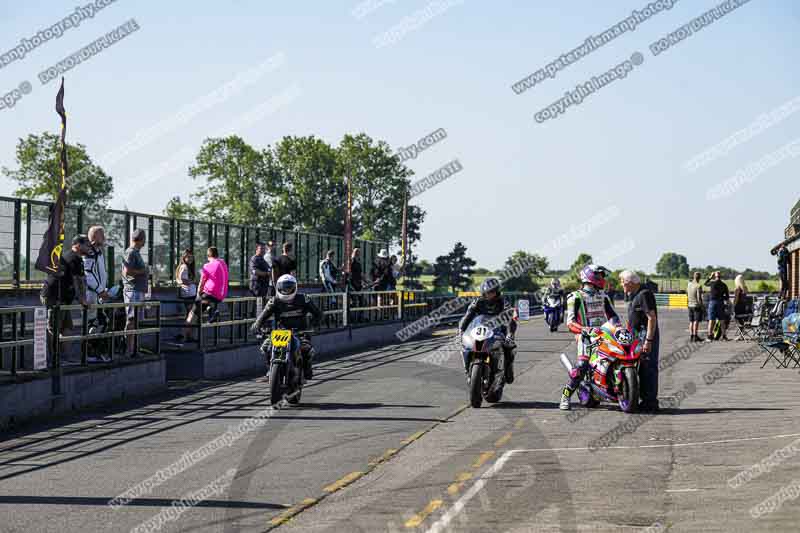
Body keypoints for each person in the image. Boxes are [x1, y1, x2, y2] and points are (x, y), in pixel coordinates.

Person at [559, 264, 620, 411]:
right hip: (585, 337)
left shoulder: (603, 295)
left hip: (605, 334)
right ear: (590, 277)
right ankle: (565, 396)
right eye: (599, 275)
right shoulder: (575, 297)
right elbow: (570, 323)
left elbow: (613, 316)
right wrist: (585, 330)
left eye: (602, 276)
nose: (602, 279)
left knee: (619, 356)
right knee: (581, 368)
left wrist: (618, 327)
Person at [251, 274, 323, 380]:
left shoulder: (304, 299)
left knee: (306, 349)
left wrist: (313, 325)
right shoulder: (274, 301)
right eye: (283, 288)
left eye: (289, 288)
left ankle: (307, 368)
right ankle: (270, 370)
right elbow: (262, 317)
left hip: (300, 332)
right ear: (278, 288)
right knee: (265, 347)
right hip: (280, 333)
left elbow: (318, 314)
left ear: (295, 287)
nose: (286, 290)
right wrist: (256, 326)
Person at [458, 277, 518, 383]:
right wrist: (461, 330)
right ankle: (467, 370)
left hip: (498, 330)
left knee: (510, 347)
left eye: (492, 292)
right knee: (465, 346)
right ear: (483, 292)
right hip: (480, 330)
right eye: (487, 292)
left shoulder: (503, 302)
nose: (489, 295)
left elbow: (510, 319)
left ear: (497, 292)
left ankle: (508, 371)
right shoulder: (477, 302)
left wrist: (510, 334)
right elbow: (468, 316)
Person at [40, 234, 90, 361]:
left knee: (67, 328)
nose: (89, 246)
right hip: (55, 296)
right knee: (54, 327)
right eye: (87, 244)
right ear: (78, 245)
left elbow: (78, 281)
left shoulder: (75, 258)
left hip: (64, 297)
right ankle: (53, 358)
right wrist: (82, 300)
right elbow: (78, 281)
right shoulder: (73, 258)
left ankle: (63, 357)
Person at [620, 270, 660, 412]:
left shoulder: (644, 294)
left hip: (645, 337)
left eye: (623, 282)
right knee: (641, 369)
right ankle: (643, 400)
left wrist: (648, 340)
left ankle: (650, 402)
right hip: (636, 337)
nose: (621, 285)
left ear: (631, 283)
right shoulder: (634, 295)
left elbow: (651, 318)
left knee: (648, 368)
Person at [83, 226, 111, 362]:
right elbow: (87, 274)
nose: (104, 237)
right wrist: (100, 290)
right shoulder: (89, 252)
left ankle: (95, 352)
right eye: (102, 235)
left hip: (97, 295)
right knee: (94, 323)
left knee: (102, 322)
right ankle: (90, 354)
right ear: (94, 237)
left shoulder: (98, 252)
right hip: (91, 295)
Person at [122, 229, 149, 356]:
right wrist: (143, 271)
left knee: (136, 321)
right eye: (144, 239)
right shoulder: (131, 252)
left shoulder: (135, 252)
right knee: (132, 320)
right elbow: (126, 272)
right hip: (132, 291)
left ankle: (134, 349)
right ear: (141, 239)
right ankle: (129, 349)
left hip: (138, 291)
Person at [196, 246, 229, 323]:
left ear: (208, 256)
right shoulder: (223, 262)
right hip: (222, 295)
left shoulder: (207, 266)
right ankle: (212, 312)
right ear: (217, 255)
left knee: (198, 302)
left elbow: (202, 281)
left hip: (211, 293)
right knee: (207, 301)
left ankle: (211, 311)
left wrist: (198, 293)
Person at [175, 249, 197, 344]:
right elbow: (182, 280)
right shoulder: (184, 267)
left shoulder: (187, 267)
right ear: (184, 257)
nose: (190, 258)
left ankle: (188, 335)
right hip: (188, 295)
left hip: (190, 294)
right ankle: (184, 335)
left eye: (191, 256)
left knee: (191, 315)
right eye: (188, 257)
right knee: (191, 316)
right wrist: (193, 282)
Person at [705, 271, 730, 342]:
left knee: (711, 320)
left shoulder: (712, 283)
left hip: (713, 302)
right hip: (720, 303)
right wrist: (722, 298)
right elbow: (727, 296)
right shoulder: (724, 285)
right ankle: (724, 336)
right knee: (722, 320)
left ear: (715, 276)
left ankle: (709, 336)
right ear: (720, 277)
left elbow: (705, 284)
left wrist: (710, 277)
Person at [686, 272, 704, 342]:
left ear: (693, 277)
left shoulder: (689, 284)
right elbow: (699, 298)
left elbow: (687, 294)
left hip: (690, 305)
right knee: (696, 321)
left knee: (691, 321)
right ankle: (695, 336)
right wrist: (702, 307)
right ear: (699, 278)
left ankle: (691, 336)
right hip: (696, 305)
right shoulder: (698, 286)